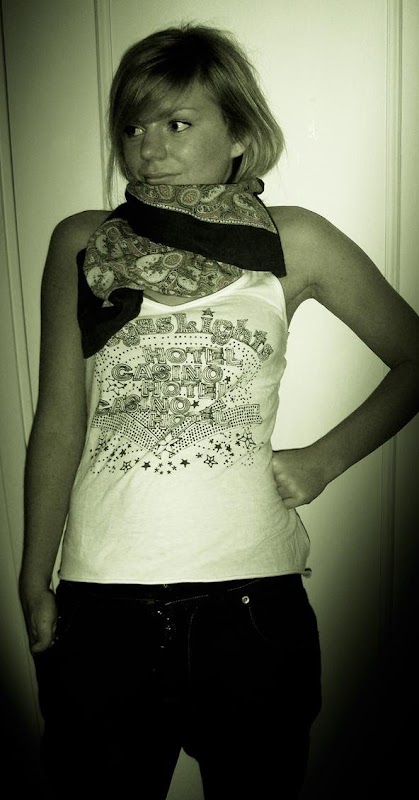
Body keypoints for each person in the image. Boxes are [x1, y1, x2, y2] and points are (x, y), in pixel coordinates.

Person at [19, 22, 419, 800]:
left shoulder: (292, 239)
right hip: (100, 608)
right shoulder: (84, 242)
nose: (148, 148)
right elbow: (59, 421)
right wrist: (35, 577)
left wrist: (324, 459)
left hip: (251, 609)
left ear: (238, 132)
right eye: (132, 127)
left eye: (176, 123)